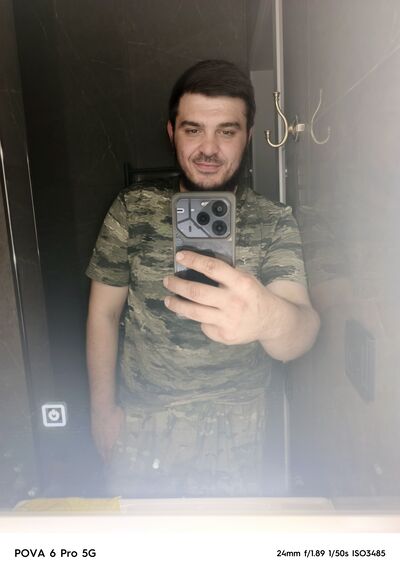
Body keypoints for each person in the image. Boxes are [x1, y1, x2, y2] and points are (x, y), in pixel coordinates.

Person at [86, 59, 320, 497]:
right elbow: (103, 314)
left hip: (238, 423)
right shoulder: (131, 210)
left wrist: (267, 319)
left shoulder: (273, 221)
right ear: (172, 132)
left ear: (248, 136)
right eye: (193, 129)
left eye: (227, 131)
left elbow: (300, 333)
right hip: (142, 420)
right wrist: (102, 411)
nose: (209, 148)